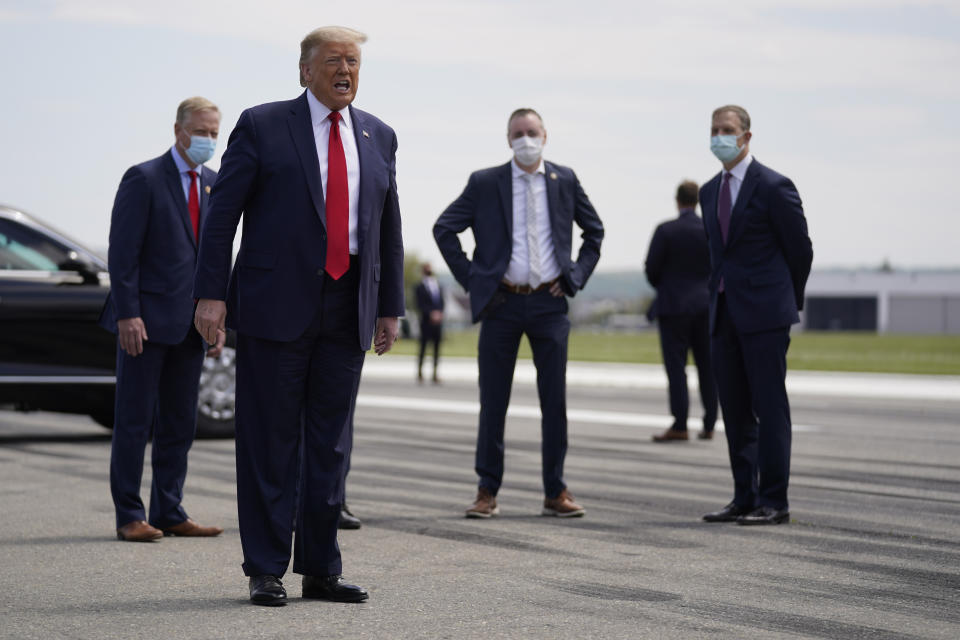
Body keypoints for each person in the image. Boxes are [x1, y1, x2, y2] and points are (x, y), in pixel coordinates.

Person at [193, 26, 404, 605]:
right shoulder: (263, 124)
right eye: (334, 60)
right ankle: (265, 567)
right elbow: (222, 217)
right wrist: (211, 294)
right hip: (273, 306)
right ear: (305, 71)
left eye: (354, 62)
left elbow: (387, 227)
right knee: (269, 440)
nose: (346, 70)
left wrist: (390, 307)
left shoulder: (378, 135)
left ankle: (321, 568)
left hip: (348, 306)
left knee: (331, 445)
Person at [434, 108, 603, 519]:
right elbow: (444, 228)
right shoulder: (486, 182)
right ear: (508, 139)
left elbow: (594, 232)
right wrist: (475, 280)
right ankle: (486, 490)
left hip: (550, 303)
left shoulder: (565, 180)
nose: (525, 139)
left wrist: (575, 276)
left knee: (554, 401)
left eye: (532, 132)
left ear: (545, 135)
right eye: (517, 133)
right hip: (501, 304)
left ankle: (555, 490)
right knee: (493, 401)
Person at [99, 97, 225, 543]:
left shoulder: (215, 183)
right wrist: (128, 314)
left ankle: (169, 509)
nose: (209, 139)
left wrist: (217, 317)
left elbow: (215, 258)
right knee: (134, 421)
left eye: (215, 132)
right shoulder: (144, 178)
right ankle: (130, 515)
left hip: (191, 327)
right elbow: (123, 254)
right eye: (202, 132)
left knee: (179, 423)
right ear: (179, 131)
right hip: (145, 324)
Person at [699, 105, 813, 526]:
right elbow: (717, 252)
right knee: (735, 407)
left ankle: (774, 500)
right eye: (714, 130)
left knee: (769, 406)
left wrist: (785, 299)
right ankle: (743, 496)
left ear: (747, 136)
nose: (719, 137)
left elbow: (800, 250)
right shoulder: (709, 191)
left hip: (765, 313)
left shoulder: (773, 185)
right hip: (724, 311)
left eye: (727, 130)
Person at [644, 180, 718, 442]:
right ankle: (710, 422)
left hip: (674, 305)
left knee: (677, 368)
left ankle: (680, 423)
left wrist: (667, 286)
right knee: (707, 366)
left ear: (677, 201)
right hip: (705, 306)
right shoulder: (710, 229)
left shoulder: (666, 231)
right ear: (696, 201)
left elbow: (651, 269)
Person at [414, 262, 444, 383]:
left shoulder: (437, 286)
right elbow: (419, 304)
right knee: (423, 347)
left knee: (437, 348)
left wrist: (440, 313)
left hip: (437, 323)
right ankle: (420, 372)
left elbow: (442, 302)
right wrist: (430, 313)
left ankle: (435, 373)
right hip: (426, 322)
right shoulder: (419, 287)